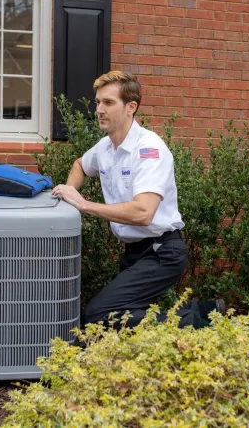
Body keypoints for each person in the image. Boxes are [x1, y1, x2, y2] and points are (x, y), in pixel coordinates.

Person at [52, 71, 223, 329]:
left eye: (108, 103)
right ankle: (202, 311)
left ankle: (197, 319)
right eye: (98, 102)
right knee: (122, 318)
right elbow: (79, 164)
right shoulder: (105, 148)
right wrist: (68, 190)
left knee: (99, 316)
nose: (99, 109)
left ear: (131, 107)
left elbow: (144, 212)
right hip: (134, 253)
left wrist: (83, 204)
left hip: (162, 252)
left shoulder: (149, 150)